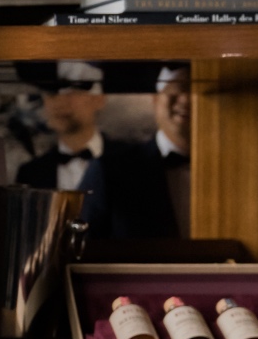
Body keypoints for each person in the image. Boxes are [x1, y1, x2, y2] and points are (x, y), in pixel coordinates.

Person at [79, 64, 190, 240]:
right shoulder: (109, 171)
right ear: (155, 99)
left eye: (196, 90)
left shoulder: (236, 171)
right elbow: (79, 249)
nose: (186, 99)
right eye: (177, 88)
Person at [15, 61, 123, 192]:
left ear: (99, 99)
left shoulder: (131, 165)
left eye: (72, 92)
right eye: (52, 93)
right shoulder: (30, 173)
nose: (60, 103)